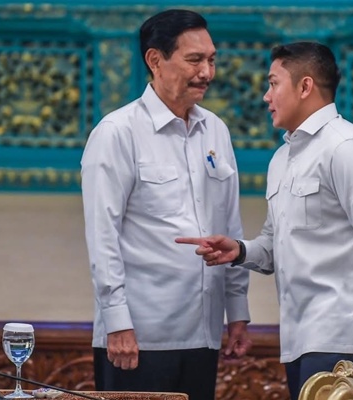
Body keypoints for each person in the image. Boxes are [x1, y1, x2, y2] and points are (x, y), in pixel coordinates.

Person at [176, 41, 353, 398]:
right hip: (299, 337)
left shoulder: (346, 147)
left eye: (273, 83)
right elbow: (275, 245)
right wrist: (239, 251)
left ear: (305, 86)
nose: (266, 96)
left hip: (345, 335)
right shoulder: (282, 158)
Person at [80, 9, 251, 400]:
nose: (206, 72)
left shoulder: (216, 130)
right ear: (155, 60)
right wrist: (117, 322)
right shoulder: (117, 132)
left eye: (211, 60)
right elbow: (102, 238)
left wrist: (237, 312)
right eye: (194, 60)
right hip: (139, 337)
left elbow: (230, 226)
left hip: (204, 333)